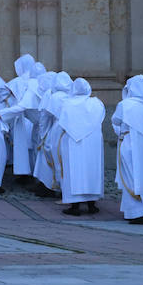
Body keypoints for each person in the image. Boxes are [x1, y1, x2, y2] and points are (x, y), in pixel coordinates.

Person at [111, 75, 143, 223]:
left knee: (131, 176)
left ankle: (136, 212)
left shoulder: (126, 104)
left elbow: (116, 120)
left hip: (130, 142)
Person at [57, 78, 106, 215]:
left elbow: (62, 121)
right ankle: (92, 204)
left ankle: (75, 206)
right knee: (92, 170)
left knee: (74, 171)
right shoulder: (97, 104)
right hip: (92, 143)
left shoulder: (67, 104)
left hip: (73, 141)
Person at [35, 71, 73, 197]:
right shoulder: (72, 95)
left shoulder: (53, 96)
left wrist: (43, 134)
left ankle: (48, 186)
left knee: (48, 158)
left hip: (56, 129)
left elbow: (44, 117)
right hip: (71, 130)